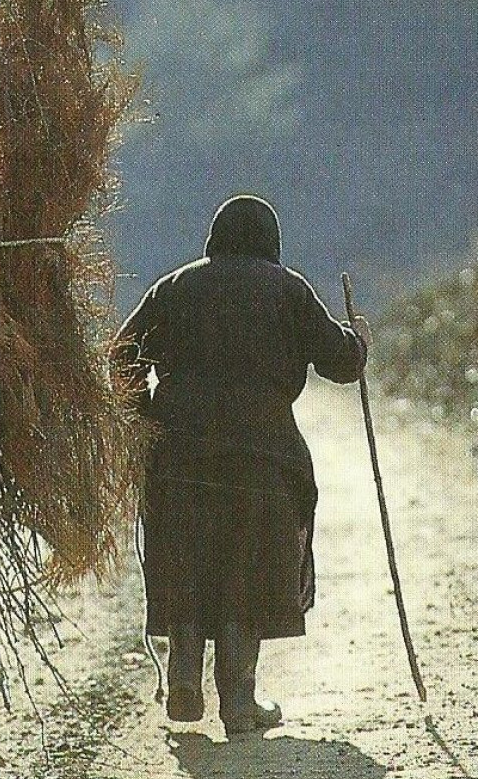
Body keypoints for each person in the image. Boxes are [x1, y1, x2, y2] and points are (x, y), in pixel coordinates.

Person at [114, 194, 371, 736]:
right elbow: (340, 363)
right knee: (246, 571)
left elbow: (121, 356)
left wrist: (145, 419)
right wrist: (358, 344)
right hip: (263, 459)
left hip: (179, 454)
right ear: (270, 244)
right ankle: (239, 701)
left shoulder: (175, 286)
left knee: (186, 563)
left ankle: (184, 680)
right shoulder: (288, 289)